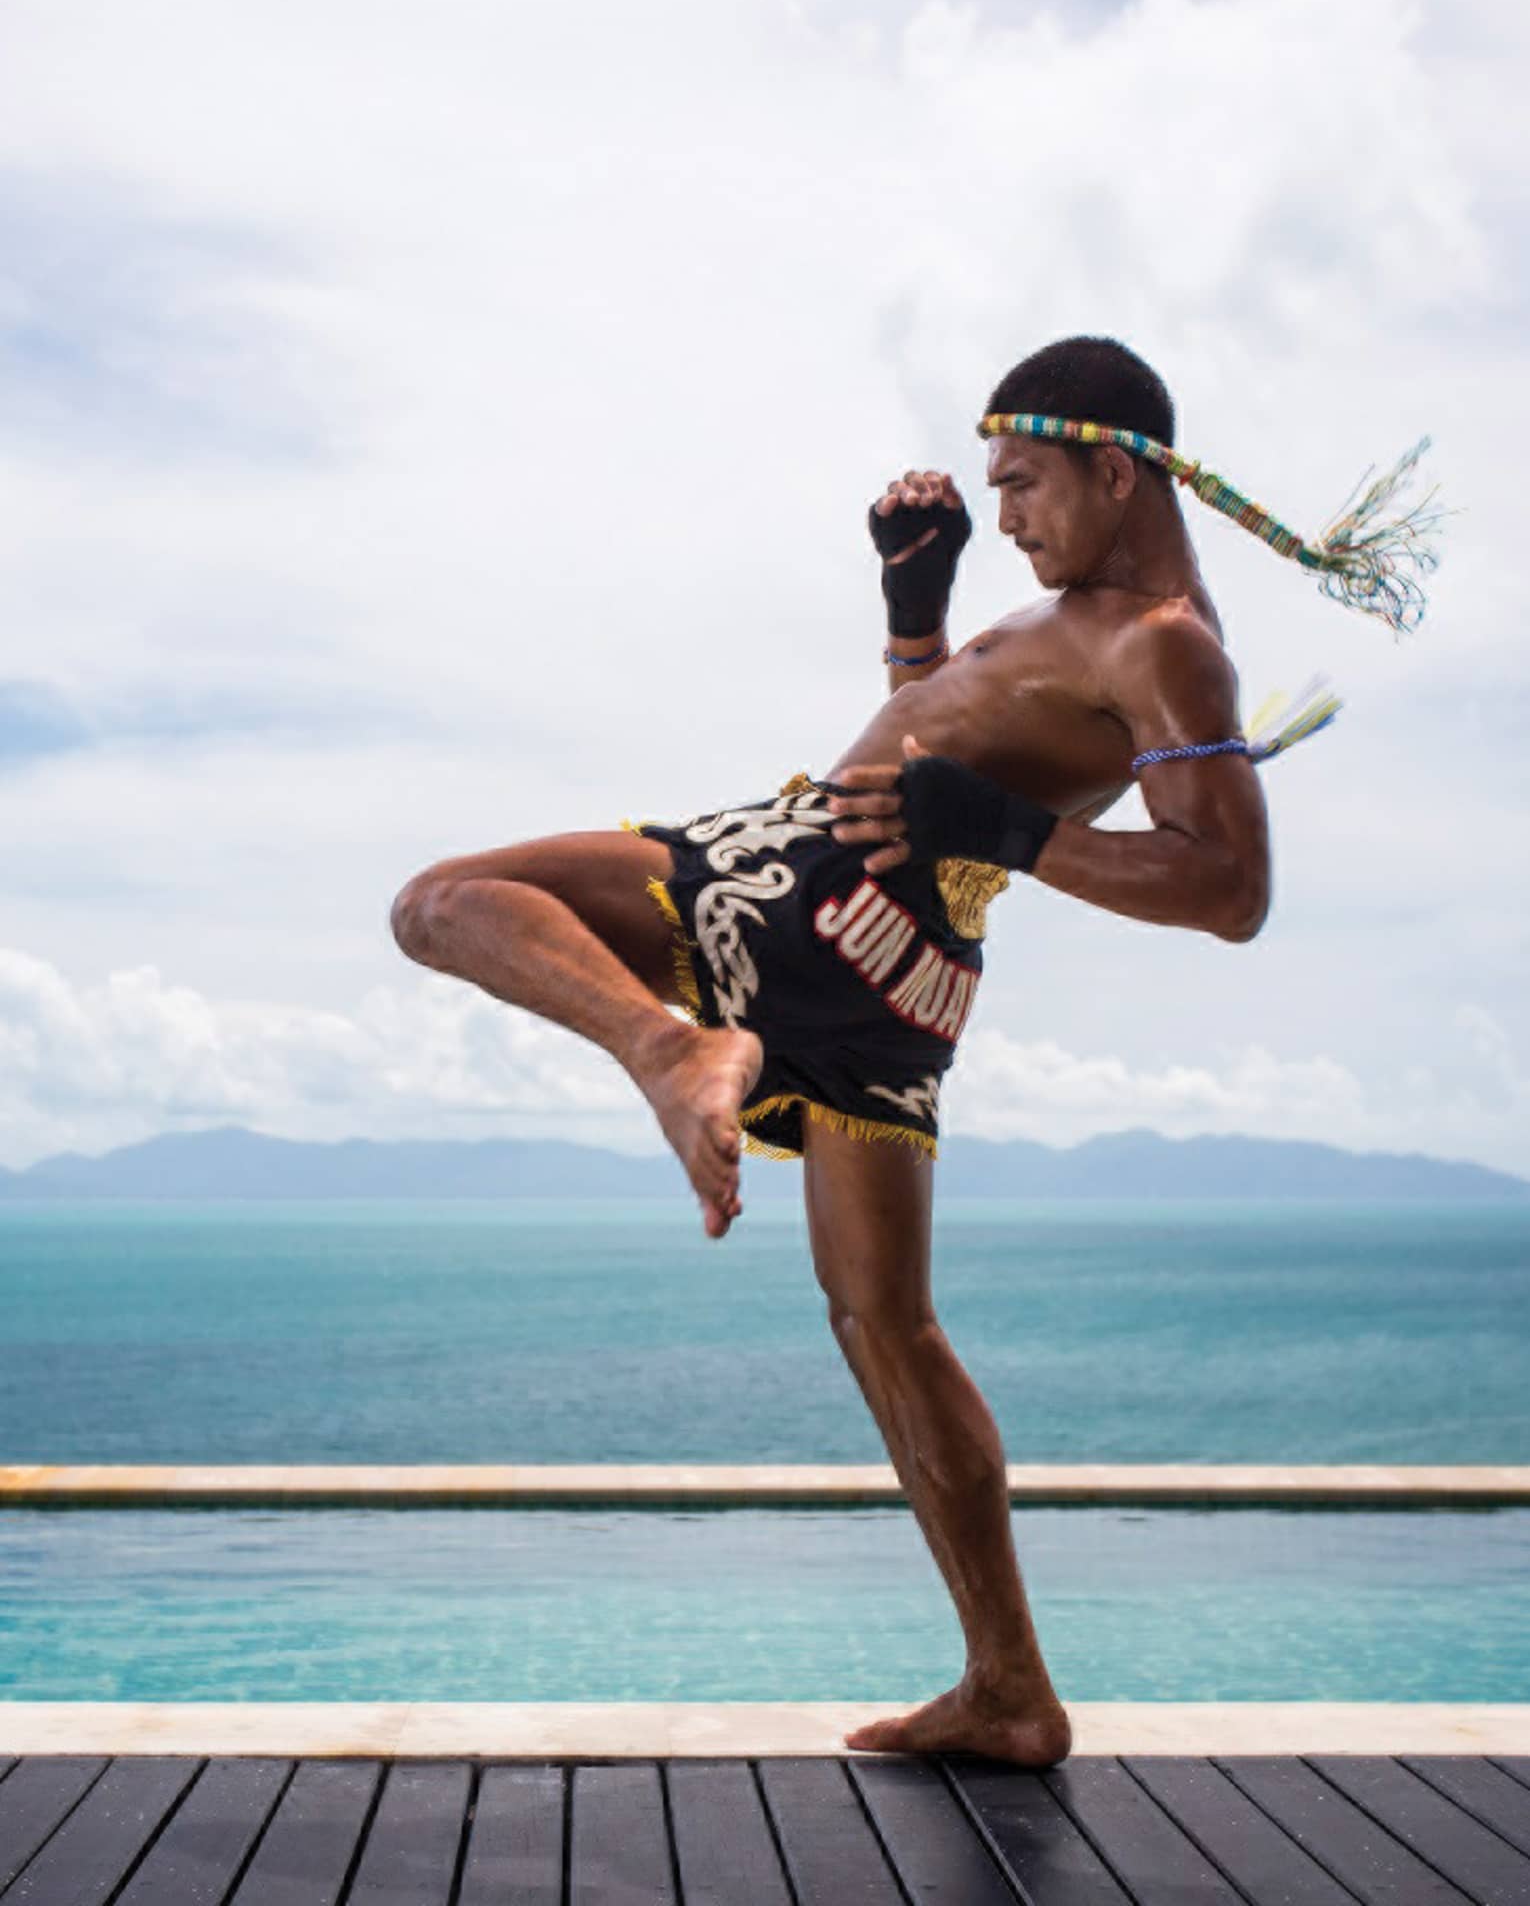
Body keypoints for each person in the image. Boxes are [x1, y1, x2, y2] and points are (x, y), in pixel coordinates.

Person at [390, 334, 1441, 1768]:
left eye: (1022, 485)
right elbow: (953, 745)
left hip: (807, 891)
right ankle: (1008, 1687)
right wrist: (914, 608)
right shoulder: (1084, 619)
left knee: (444, 903)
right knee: (885, 1326)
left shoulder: (1166, 643)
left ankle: (670, 1053)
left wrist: (1008, 838)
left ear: (1113, 470)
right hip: (898, 974)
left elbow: (1225, 891)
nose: (1004, 514)